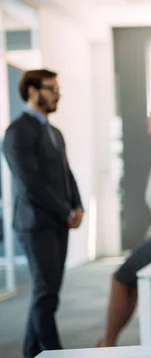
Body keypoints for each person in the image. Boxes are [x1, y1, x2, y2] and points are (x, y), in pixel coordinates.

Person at [3, 69, 84, 358]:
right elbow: (29, 183)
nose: (57, 94)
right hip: (35, 224)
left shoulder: (53, 131)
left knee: (46, 293)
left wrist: (78, 204)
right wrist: (65, 209)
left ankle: (31, 352)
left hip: (57, 222)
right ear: (32, 91)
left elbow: (66, 173)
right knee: (45, 292)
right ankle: (54, 353)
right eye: (51, 89)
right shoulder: (17, 131)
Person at [96, 100, 151, 347]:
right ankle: (108, 340)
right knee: (127, 280)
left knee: (120, 278)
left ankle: (107, 343)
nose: (148, 120)